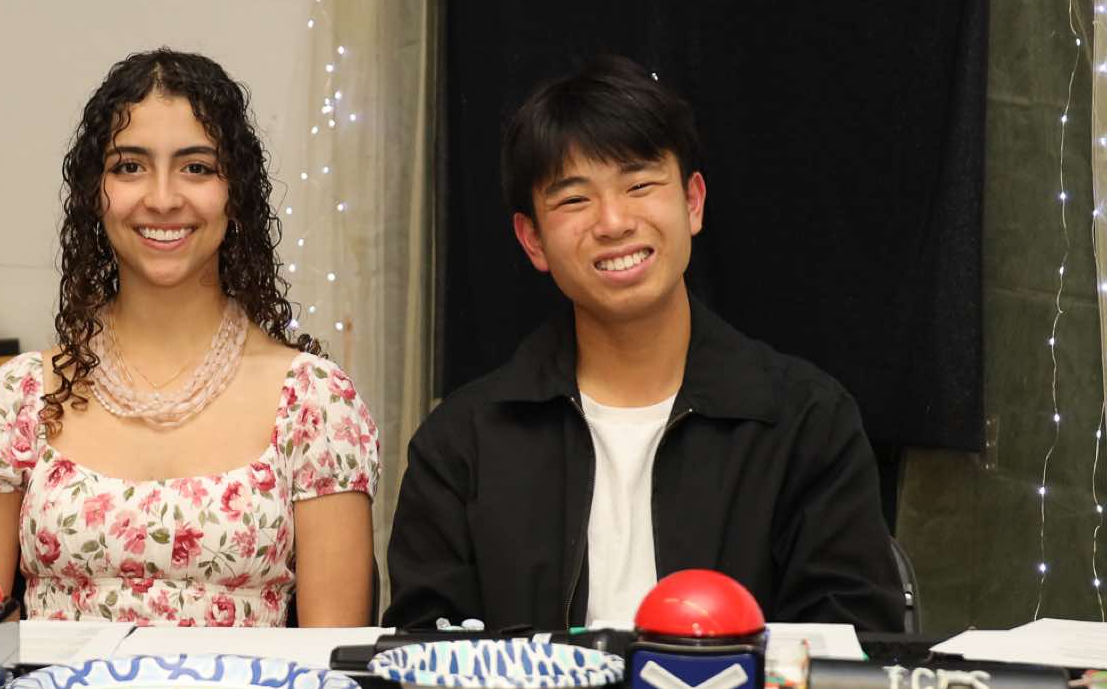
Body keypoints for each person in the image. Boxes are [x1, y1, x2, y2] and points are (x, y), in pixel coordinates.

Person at [386, 56, 903, 631]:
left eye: (639, 185)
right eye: (574, 199)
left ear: (692, 202)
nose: (613, 222)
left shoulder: (806, 422)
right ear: (532, 240)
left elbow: (850, 643)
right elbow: (422, 651)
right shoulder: (462, 445)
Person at [0, 49, 379, 625]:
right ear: (94, 193)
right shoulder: (16, 399)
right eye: (130, 166)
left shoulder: (315, 403)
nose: (163, 198)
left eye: (196, 167)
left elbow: (332, 658)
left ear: (236, 193)